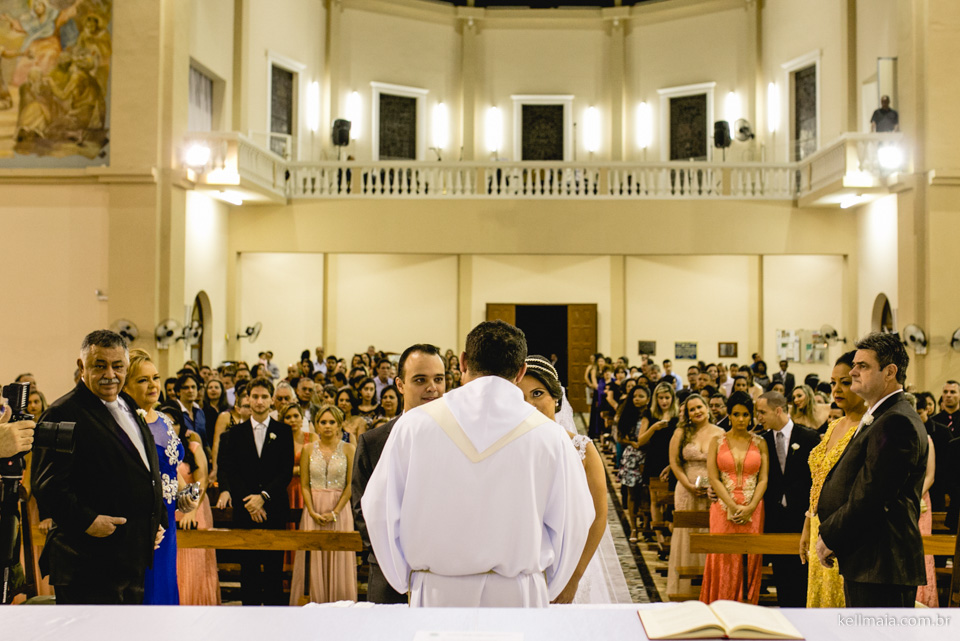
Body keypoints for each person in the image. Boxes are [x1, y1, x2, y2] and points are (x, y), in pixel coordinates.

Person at [362, 320, 594, 607]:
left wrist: (402, 577)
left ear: (462, 362)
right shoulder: (551, 436)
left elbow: (379, 508)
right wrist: (547, 584)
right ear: (522, 371)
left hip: (437, 592)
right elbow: (576, 519)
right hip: (520, 594)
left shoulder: (413, 425)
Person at [32, 330, 165, 604]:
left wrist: (155, 520)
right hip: (87, 562)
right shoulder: (61, 413)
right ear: (82, 367)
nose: (110, 374)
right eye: (99, 365)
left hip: (130, 557)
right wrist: (88, 521)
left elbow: (143, 467)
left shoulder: (128, 403)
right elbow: (47, 485)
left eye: (117, 366)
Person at [817, 332, 928, 607]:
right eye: (854, 365)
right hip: (870, 561)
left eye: (863, 366)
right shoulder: (883, 416)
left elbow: (872, 496)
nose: (853, 372)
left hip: (881, 563)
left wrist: (830, 536)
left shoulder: (896, 422)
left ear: (890, 371)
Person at [351, 344, 446, 604]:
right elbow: (361, 508)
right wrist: (391, 556)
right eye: (420, 379)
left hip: (444, 571)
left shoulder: (459, 439)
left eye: (439, 379)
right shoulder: (374, 441)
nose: (432, 387)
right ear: (400, 385)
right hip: (388, 567)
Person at [520, 355, 609, 604]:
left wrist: (573, 577)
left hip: (572, 561)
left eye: (537, 394)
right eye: (520, 397)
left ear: (556, 397)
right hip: (524, 566)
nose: (529, 404)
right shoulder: (511, 449)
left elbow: (599, 517)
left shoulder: (581, 447)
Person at [215, 377, 293, 605]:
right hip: (245, 509)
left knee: (273, 570)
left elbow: (285, 472)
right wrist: (250, 502)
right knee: (248, 569)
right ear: (247, 399)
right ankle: (248, 623)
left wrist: (263, 498)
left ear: (272, 400)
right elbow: (230, 471)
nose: (259, 401)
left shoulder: (283, 431)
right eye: (255, 396)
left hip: (274, 507)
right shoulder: (234, 433)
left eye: (264, 397)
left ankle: (275, 623)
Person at [123, 350, 192, 605]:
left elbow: (171, 469)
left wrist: (185, 494)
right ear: (126, 386)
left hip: (169, 515)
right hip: (144, 518)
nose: (153, 385)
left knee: (165, 580)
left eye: (156, 377)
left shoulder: (163, 419)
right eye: (142, 380)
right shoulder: (125, 423)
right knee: (147, 587)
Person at [798, 351, 864, 607]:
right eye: (833, 383)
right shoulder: (834, 425)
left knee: (839, 603)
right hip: (818, 526)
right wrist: (807, 524)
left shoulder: (867, 427)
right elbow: (818, 482)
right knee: (819, 600)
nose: (837, 389)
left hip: (843, 528)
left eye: (845, 382)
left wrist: (837, 532)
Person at [700, 392, 768, 604]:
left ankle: (745, 607)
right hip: (722, 507)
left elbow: (763, 480)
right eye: (736, 414)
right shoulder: (716, 441)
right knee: (722, 558)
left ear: (751, 416)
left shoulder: (760, 442)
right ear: (729, 415)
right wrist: (730, 505)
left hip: (753, 508)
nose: (741, 419)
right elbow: (713, 477)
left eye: (746, 415)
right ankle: (719, 606)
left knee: (750, 558)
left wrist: (751, 506)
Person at [755, 390, 820, 607]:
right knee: (781, 576)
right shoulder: (761, 440)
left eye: (762, 412)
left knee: (803, 576)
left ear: (778, 410)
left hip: (802, 517)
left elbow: (817, 479)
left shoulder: (808, 437)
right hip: (774, 517)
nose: (759, 417)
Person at [289, 405, 357, 604]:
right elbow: (305, 485)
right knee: (314, 559)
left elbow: (351, 484)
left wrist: (335, 512)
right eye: (323, 422)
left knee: (339, 558)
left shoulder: (349, 448)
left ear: (339, 425)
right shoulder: (308, 449)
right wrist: (311, 511)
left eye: (331, 422)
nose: (327, 426)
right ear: (317, 425)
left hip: (340, 510)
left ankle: (340, 607)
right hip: (314, 509)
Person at [666, 393, 724, 598]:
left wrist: (716, 486)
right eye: (692, 409)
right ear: (688, 414)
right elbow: (674, 462)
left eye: (700, 407)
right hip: (686, 489)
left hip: (713, 491)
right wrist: (688, 485)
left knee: (709, 532)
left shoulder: (720, 433)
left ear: (707, 408)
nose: (697, 412)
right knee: (687, 534)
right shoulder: (682, 432)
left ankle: (708, 587)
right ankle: (685, 590)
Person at [617, 385, 652, 542]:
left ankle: (646, 526)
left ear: (648, 399)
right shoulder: (627, 414)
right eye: (634, 396)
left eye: (641, 396)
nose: (637, 399)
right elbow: (619, 437)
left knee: (646, 493)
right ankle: (633, 528)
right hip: (632, 456)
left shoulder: (652, 415)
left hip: (648, 455)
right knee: (632, 494)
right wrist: (631, 442)